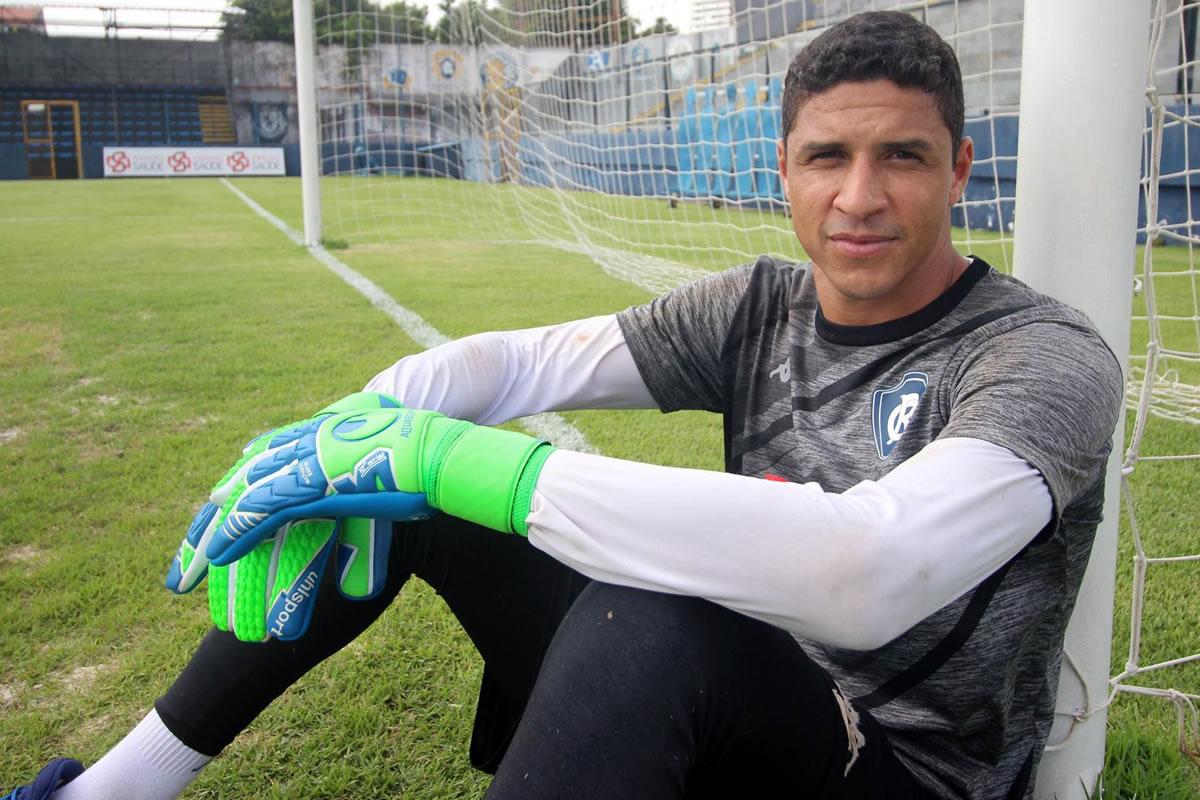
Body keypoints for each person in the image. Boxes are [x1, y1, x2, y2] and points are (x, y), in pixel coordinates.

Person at [8, 11, 1122, 800]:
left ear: (961, 168)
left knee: (658, 611)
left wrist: (467, 464)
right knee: (405, 492)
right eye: (828, 156)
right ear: (783, 168)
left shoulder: (1041, 355)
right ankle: (107, 792)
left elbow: (871, 574)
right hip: (733, 705)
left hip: (897, 768)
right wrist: (348, 436)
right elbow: (508, 366)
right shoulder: (760, 307)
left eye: (903, 158)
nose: (860, 195)